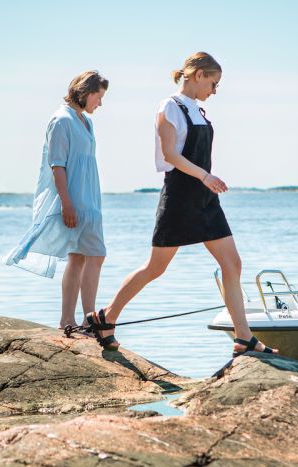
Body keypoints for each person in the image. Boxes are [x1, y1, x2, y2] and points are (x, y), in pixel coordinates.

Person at [89, 52, 276, 357]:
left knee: (233, 264)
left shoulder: (198, 110)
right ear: (199, 74)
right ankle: (106, 318)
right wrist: (205, 176)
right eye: (213, 84)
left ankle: (244, 337)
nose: (214, 91)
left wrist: (207, 182)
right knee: (156, 267)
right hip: (180, 196)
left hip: (205, 198)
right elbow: (170, 154)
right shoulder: (170, 107)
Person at [4, 71, 109, 329]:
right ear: (86, 92)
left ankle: (88, 320)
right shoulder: (61, 120)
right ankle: (68, 320)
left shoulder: (85, 121)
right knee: (81, 257)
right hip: (73, 200)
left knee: (91, 256)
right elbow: (57, 165)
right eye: (99, 97)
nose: (101, 103)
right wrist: (66, 203)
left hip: (90, 201)